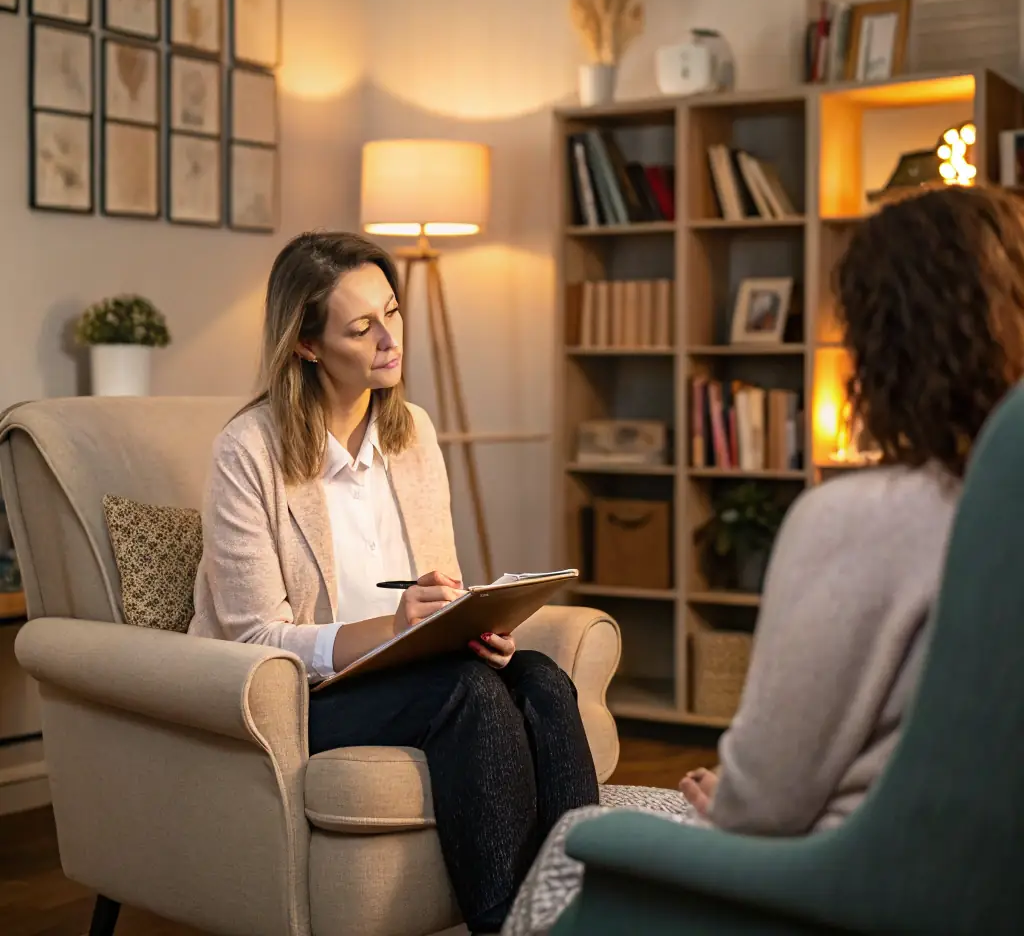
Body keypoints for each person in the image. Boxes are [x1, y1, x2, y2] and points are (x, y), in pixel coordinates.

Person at [502, 185, 1024, 935]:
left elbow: (764, 804)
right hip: (979, 885)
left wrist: (730, 798)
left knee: (578, 832)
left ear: (879, 342)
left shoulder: (856, 518)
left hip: (832, 880)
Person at [188, 231, 600, 934]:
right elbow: (253, 634)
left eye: (393, 311)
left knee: (540, 681)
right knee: (467, 693)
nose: (389, 338)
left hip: (413, 672)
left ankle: (583, 913)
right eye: (361, 326)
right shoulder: (248, 450)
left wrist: (473, 624)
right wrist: (396, 628)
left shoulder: (413, 434)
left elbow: (436, 585)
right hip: (302, 699)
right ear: (307, 345)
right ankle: (506, 925)